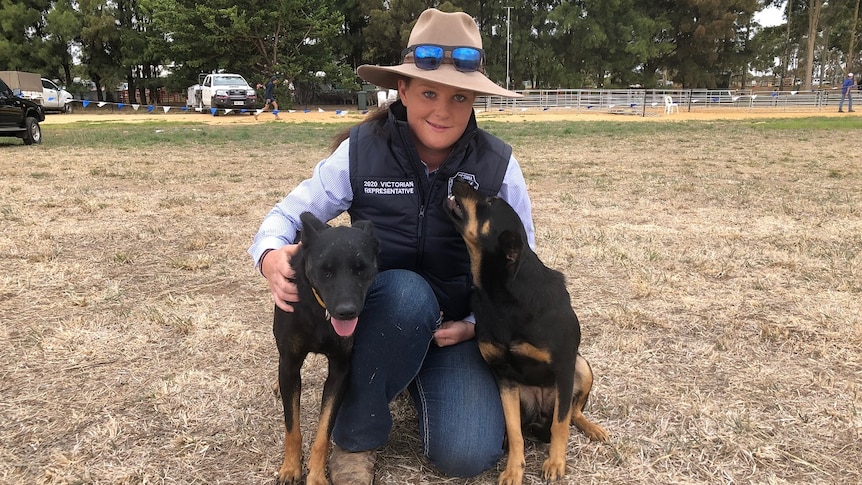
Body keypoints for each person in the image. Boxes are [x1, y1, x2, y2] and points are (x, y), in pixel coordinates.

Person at [248, 8, 533, 485]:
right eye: (427, 93)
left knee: (467, 455)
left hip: (453, 332)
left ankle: (406, 377)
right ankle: (355, 436)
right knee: (405, 294)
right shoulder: (360, 150)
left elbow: (520, 266)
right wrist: (271, 255)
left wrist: (474, 324)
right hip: (379, 314)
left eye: (459, 98)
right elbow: (284, 216)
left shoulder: (499, 166)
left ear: (475, 100)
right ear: (401, 90)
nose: (442, 111)